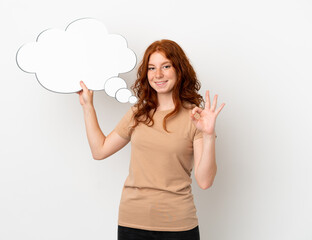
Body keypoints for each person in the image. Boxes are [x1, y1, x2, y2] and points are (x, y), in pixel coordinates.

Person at [77, 39, 225, 240]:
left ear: (179, 69)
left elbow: (205, 181)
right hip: (132, 222)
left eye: (166, 66)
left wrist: (208, 135)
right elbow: (99, 150)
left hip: (178, 225)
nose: (158, 75)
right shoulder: (138, 114)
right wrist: (88, 107)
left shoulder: (195, 117)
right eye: (152, 68)